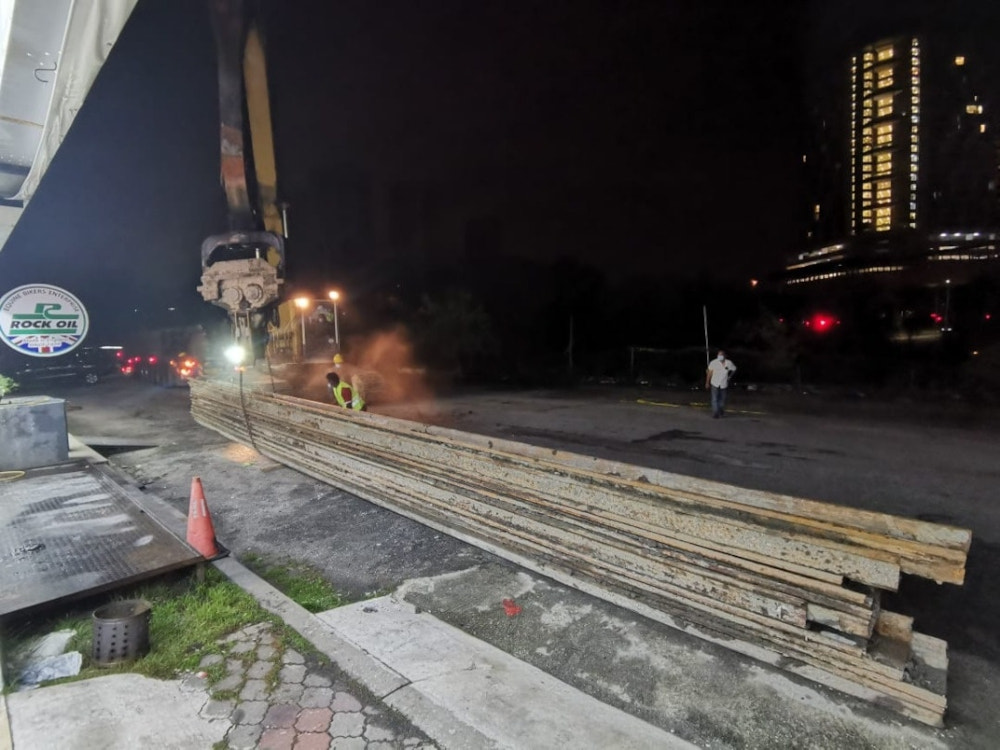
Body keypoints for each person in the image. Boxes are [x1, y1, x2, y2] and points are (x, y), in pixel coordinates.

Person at [705, 350, 737, 419]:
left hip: (724, 384)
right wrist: (707, 382)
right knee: (714, 399)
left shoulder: (729, 363)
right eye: (718, 355)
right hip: (714, 383)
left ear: (725, 356)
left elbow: (734, 369)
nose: (720, 356)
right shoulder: (713, 362)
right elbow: (709, 373)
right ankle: (716, 413)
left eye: (721, 355)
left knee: (722, 400)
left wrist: (730, 376)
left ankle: (721, 411)